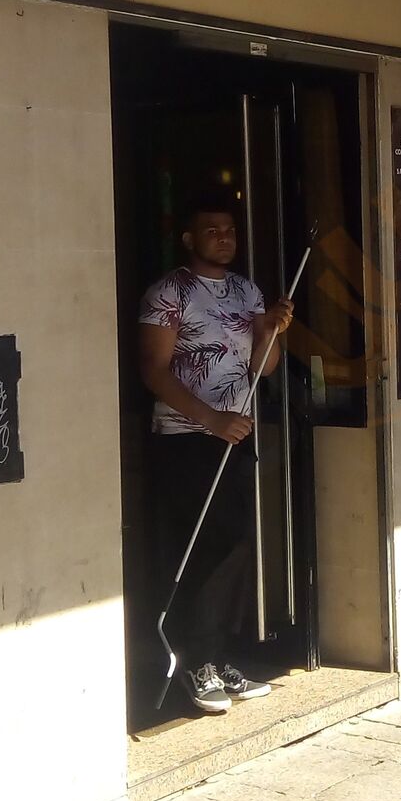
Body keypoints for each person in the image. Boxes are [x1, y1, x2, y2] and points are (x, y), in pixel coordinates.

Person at [138, 193, 294, 714]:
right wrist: (210, 419)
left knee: (237, 546)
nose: (224, 238)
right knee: (204, 547)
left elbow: (265, 367)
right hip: (186, 437)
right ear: (189, 238)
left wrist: (268, 331)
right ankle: (195, 662)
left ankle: (218, 654)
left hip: (234, 435)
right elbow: (153, 369)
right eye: (212, 230)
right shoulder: (169, 292)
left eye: (229, 230)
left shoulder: (247, 291)